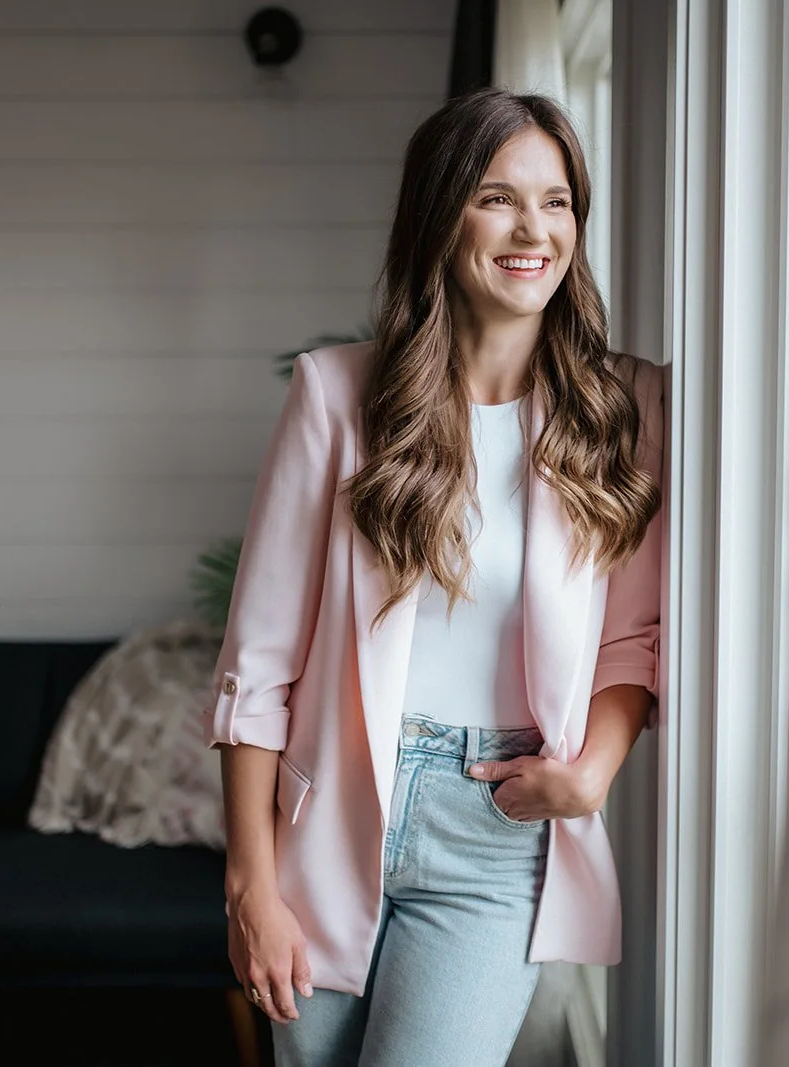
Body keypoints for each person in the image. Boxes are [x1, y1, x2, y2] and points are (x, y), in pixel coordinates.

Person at [206, 86, 665, 1067]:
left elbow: (634, 632)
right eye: (498, 197)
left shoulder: (627, 407)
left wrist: (591, 772)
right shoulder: (337, 394)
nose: (532, 228)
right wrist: (251, 885)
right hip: (326, 813)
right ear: (439, 213)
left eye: (557, 201)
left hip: (500, 819)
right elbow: (259, 661)